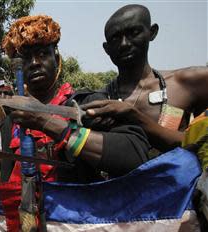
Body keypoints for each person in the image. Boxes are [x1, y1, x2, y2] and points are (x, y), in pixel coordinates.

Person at [0, 15, 150, 182]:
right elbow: (5, 177)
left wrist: (47, 123)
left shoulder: (86, 103)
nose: (35, 62)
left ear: (56, 59)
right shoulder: (12, 121)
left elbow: (135, 155)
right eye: (25, 58)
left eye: (42, 54)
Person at [81, 4, 208, 152]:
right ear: (106, 48)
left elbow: (200, 141)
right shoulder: (99, 102)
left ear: (152, 32)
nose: (124, 44)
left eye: (133, 32)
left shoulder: (188, 83)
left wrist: (134, 116)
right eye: (115, 38)